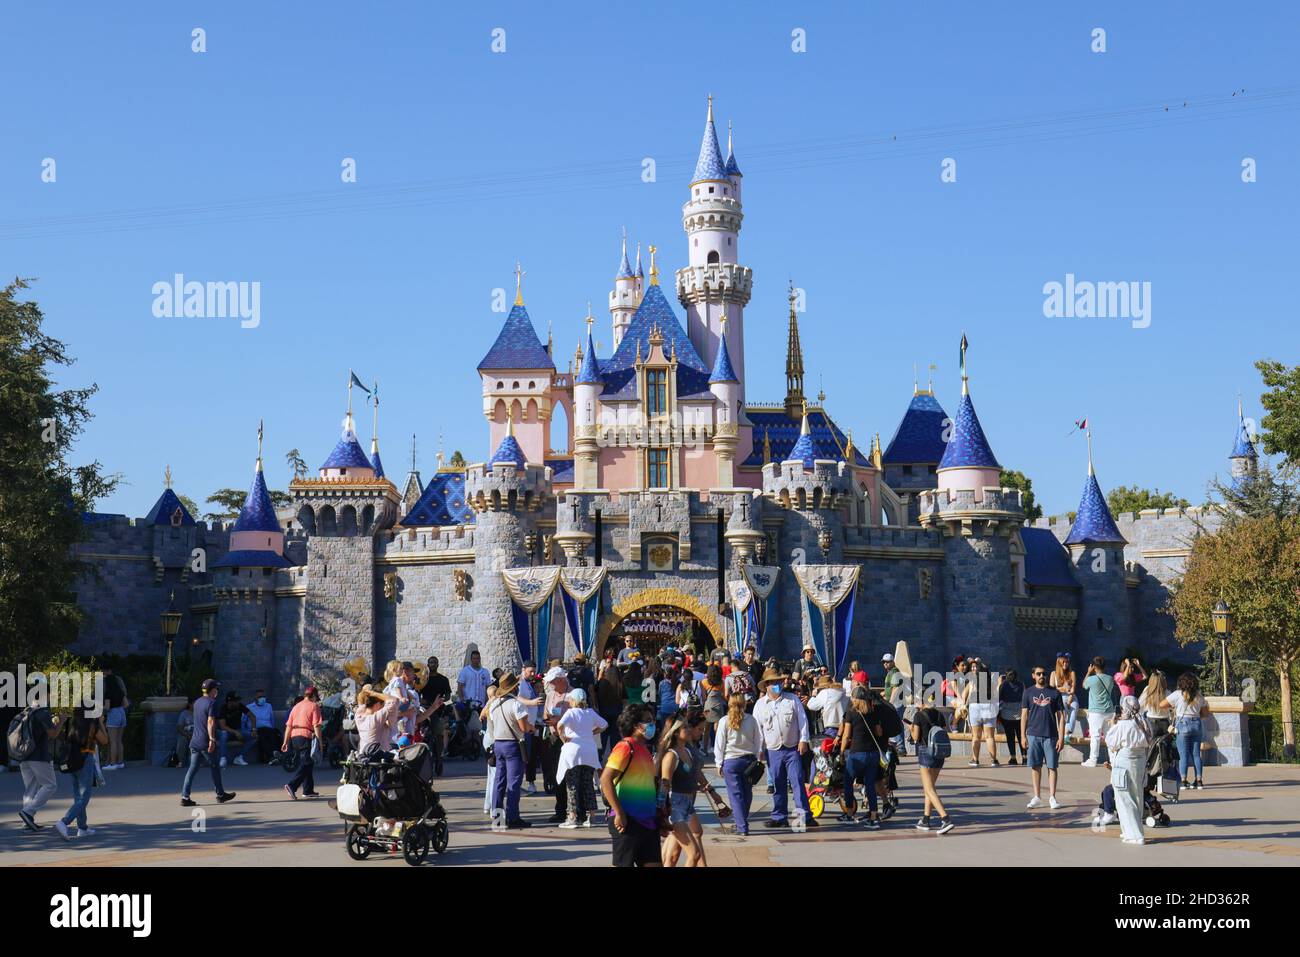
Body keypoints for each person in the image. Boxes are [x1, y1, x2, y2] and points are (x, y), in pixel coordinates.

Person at [752, 667, 816, 829]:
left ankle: (804, 816)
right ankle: (779, 816)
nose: (778, 685)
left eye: (779, 682)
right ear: (766, 685)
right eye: (774, 682)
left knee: (797, 781)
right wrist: (759, 749)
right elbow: (757, 729)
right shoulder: (760, 705)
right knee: (777, 783)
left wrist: (803, 740)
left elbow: (802, 721)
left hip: (792, 747)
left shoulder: (791, 699)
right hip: (772, 749)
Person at [599, 704, 661, 867]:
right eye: (648, 721)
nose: (652, 724)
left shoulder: (645, 750)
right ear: (635, 725)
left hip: (648, 822)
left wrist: (660, 817)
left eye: (652, 720)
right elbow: (606, 779)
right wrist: (619, 812)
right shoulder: (625, 747)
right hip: (627, 822)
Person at [659, 711, 721, 867]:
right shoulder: (671, 756)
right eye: (684, 727)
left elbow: (696, 773)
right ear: (675, 732)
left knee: (675, 854)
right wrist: (662, 812)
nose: (688, 729)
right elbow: (665, 785)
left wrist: (712, 792)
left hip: (687, 804)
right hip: (676, 805)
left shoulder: (686, 751)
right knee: (694, 854)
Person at [53, 707, 108, 840]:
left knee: (78, 796)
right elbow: (105, 740)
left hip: (72, 761)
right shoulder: (91, 725)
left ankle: (82, 827)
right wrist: (100, 722)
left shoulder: (73, 724)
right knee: (84, 798)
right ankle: (64, 822)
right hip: (85, 760)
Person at [556, 688, 607, 828]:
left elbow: (559, 725)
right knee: (588, 783)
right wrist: (591, 733)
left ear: (573, 700)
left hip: (573, 750)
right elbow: (604, 724)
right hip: (589, 750)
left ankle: (572, 817)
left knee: (572, 784)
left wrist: (563, 738)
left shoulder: (571, 712)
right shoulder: (590, 712)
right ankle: (592, 816)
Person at [181, 679, 237, 807]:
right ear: (212, 690)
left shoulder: (197, 702)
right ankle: (221, 795)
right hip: (205, 742)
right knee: (215, 767)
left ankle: (185, 796)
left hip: (195, 741)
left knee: (192, 769)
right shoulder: (212, 703)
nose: (217, 691)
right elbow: (210, 722)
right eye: (216, 688)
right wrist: (212, 739)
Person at [487, 671, 532, 828]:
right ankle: (513, 817)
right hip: (513, 745)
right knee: (514, 782)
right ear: (514, 688)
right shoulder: (516, 704)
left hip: (498, 743)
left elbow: (491, 727)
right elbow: (523, 727)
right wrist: (531, 727)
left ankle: (497, 816)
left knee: (499, 781)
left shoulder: (494, 705)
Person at [1105, 695, 1152, 845]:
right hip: (1140, 761)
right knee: (1137, 797)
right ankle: (1128, 831)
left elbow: (1111, 742)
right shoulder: (1144, 722)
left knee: (1125, 799)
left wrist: (1113, 724)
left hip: (1124, 761)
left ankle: (1135, 835)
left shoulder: (1124, 725)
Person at [839, 686, 886, 829]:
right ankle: (873, 816)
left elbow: (846, 735)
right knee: (870, 784)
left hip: (857, 753)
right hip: (873, 754)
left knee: (848, 781)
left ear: (854, 698)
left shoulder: (851, 713)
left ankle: (849, 813)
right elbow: (879, 732)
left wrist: (841, 752)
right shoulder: (873, 712)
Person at [715, 692, 761, 836]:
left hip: (731, 761)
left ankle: (742, 826)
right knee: (747, 793)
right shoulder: (752, 720)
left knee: (735, 795)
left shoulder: (724, 721)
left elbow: (719, 744)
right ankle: (742, 820)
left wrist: (718, 762)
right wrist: (757, 757)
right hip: (749, 760)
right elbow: (758, 741)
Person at [1021, 665, 1065, 809]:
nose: (1042, 676)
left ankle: (1052, 797)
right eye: (1038, 674)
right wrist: (1022, 736)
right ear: (1033, 675)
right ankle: (1037, 796)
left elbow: (1061, 717)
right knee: (1035, 766)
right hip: (1033, 734)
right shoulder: (1028, 692)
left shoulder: (1054, 693)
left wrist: (1061, 736)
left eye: (1044, 673)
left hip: (1051, 735)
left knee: (1052, 766)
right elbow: (1024, 715)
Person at [909, 706, 954, 833]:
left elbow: (916, 738)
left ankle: (945, 819)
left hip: (925, 751)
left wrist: (911, 729)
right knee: (930, 788)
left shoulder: (918, 715)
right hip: (939, 752)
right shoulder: (939, 714)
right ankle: (925, 819)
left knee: (929, 789)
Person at [17, 704, 61, 830]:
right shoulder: (43, 712)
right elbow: (53, 734)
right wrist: (61, 721)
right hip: (38, 756)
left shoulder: (26, 712)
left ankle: (27, 821)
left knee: (30, 788)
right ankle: (28, 812)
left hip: (24, 755)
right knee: (50, 785)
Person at [1167, 672, 1210, 790]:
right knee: (1196, 754)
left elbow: (1162, 704)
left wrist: (1174, 708)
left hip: (1182, 725)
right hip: (1196, 724)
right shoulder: (1200, 696)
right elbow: (1205, 714)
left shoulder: (1177, 695)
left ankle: (1183, 781)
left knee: (1183, 755)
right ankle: (1199, 780)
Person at [281, 685, 325, 799]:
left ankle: (308, 789)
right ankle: (292, 785)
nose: (317, 699)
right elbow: (317, 726)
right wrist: (320, 742)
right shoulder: (314, 706)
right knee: (307, 763)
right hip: (306, 736)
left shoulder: (296, 707)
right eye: (316, 697)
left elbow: (288, 726)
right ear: (314, 695)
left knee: (307, 762)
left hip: (294, 737)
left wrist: (285, 742)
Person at [542, 666, 571, 822]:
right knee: (557, 775)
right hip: (554, 738)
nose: (550, 685)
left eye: (553, 682)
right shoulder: (551, 694)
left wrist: (558, 721)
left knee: (571, 775)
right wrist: (548, 719)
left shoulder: (573, 694)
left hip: (569, 739)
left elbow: (579, 717)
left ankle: (574, 809)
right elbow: (545, 713)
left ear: (561, 680)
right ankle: (560, 810)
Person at [962, 659, 1001, 767]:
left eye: (975, 667)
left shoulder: (971, 680)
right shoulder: (989, 680)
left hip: (975, 707)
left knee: (976, 736)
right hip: (988, 707)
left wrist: (964, 704)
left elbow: (964, 694)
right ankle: (994, 760)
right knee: (989, 736)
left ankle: (975, 760)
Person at [1082, 657, 1119, 766]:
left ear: (1093, 667)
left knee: (1095, 736)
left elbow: (1084, 685)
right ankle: (1113, 760)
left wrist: (1088, 672)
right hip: (1109, 710)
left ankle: (1093, 760)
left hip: (1095, 711)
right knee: (1109, 736)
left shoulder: (1091, 679)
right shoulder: (1110, 679)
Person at [354, 684, 408, 754]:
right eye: (383, 703)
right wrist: (374, 693)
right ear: (377, 704)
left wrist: (367, 693)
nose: (384, 705)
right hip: (377, 759)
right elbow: (394, 700)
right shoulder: (374, 719)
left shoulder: (359, 715)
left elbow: (361, 702)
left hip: (363, 755)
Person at [420, 657, 452, 759]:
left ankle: (439, 755)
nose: (433, 664)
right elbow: (417, 693)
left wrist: (442, 700)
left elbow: (448, 695)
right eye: (431, 663)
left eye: (434, 663)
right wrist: (421, 701)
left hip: (439, 710)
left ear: (438, 665)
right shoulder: (423, 680)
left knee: (439, 732)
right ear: (428, 665)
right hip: (425, 709)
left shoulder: (443, 679)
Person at [218, 692, 258, 767]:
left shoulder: (240, 706)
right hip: (227, 731)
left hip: (238, 730)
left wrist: (254, 730)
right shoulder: (223, 709)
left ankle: (239, 757)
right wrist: (235, 732)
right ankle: (223, 758)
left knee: (254, 737)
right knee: (223, 734)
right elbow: (223, 726)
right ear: (230, 702)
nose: (237, 702)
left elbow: (252, 716)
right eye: (236, 701)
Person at [101, 667, 129, 770]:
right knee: (119, 740)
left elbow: (107, 707)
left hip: (113, 714)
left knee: (112, 741)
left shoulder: (108, 692)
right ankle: (120, 762)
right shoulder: (120, 691)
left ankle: (112, 764)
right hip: (122, 712)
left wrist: (101, 707)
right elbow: (126, 705)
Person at [807, 675, 848, 743]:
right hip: (845, 728)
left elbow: (811, 706)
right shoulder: (843, 691)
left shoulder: (825, 693)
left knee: (830, 751)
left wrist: (813, 695)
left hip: (832, 728)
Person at [595, 664, 624, 758]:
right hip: (617, 712)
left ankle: (599, 757)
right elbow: (624, 700)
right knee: (615, 736)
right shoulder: (620, 684)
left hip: (603, 713)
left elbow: (595, 694)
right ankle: (615, 757)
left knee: (602, 736)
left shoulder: (602, 683)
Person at [997, 669, 1025, 765]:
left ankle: (1013, 758)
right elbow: (1025, 699)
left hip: (1007, 715)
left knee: (1010, 737)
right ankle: (1025, 757)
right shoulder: (1021, 684)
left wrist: (998, 714)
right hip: (1020, 715)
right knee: (1021, 736)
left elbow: (998, 699)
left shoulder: (1003, 685)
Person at [1049, 654, 1079, 741]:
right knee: (1064, 711)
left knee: (1074, 707)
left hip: (1071, 695)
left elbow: (1073, 687)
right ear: (1059, 663)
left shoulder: (1071, 673)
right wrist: (1065, 689)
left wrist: (1070, 696)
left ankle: (1067, 733)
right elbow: (1052, 688)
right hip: (1059, 697)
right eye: (1063, 662)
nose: (1065, 664)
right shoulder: (1053, 674)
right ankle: (1061, 732)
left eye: (1067, 662)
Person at [246, 690, 279, 764]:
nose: (262, 698)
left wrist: (272, 728)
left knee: (274, 734)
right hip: (256, 729)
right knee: (263, 736)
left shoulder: (268, 706)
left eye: (263, 696)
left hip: (268, 729)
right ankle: (271, 756)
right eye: (260, 697)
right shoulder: (249, 707)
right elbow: (244, 721)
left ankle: (276, 753)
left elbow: (271, 719)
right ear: (255, 698)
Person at [173, 698, 195, 768]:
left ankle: (194, 762)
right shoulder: (184, 713)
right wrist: (186, 734)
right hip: (185, 734)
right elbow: (179, 727)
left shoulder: (199, 713)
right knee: (182, 741)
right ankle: (179, 762)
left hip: (195, 735)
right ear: (190, 704)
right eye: (194, 703)